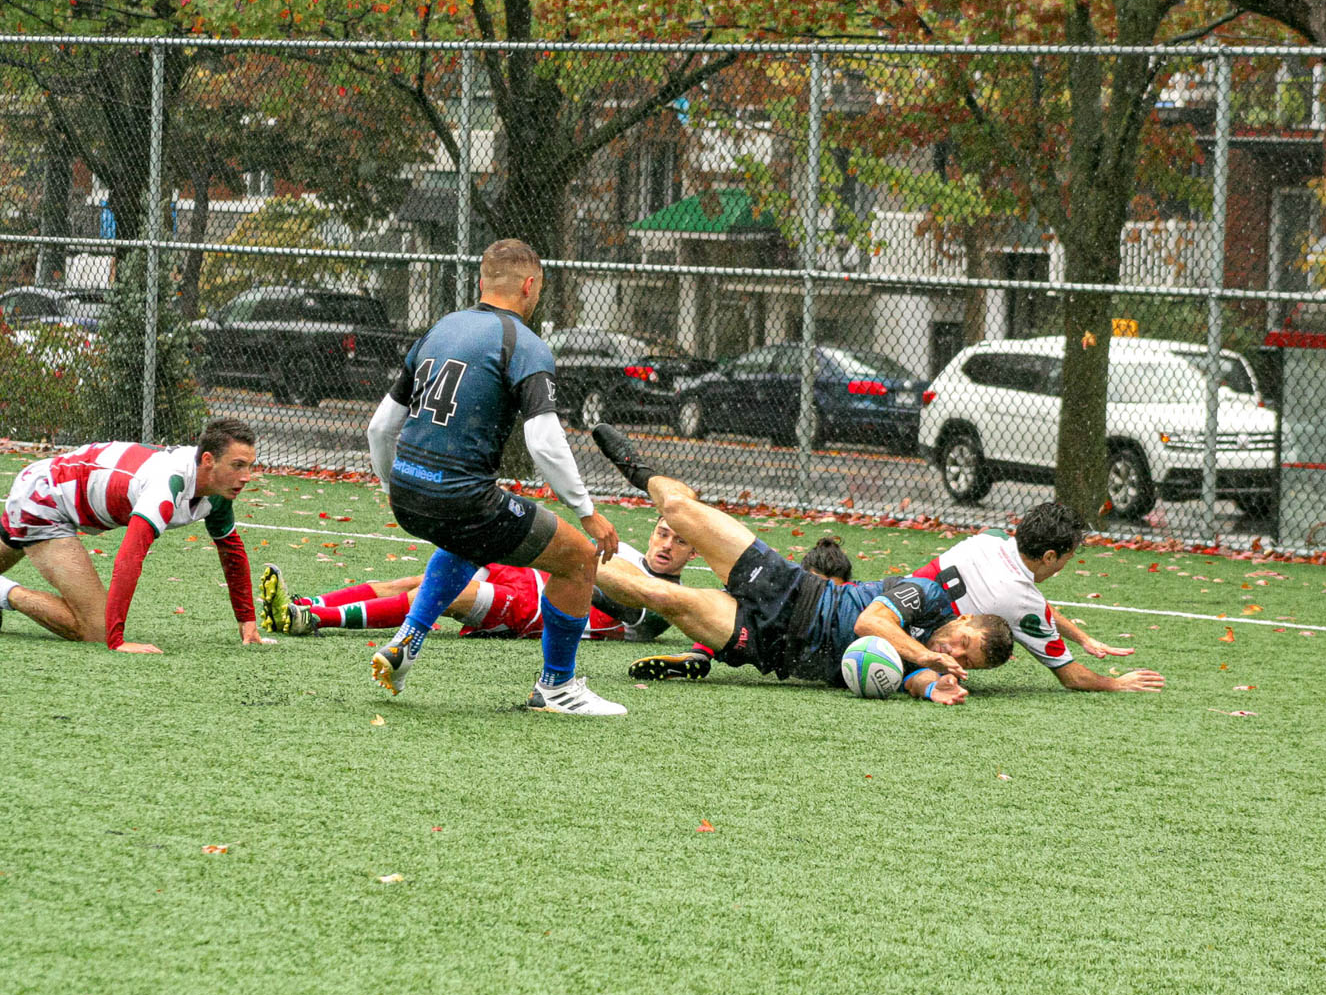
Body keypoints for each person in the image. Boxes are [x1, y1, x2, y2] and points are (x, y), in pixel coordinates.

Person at [365, 238, 623, 714]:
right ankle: (557, 688)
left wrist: (391, 486)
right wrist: (587, 512)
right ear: (530, 286)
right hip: (462, 499)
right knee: (580, 560)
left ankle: (407, 641)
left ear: (480, 282)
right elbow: (544, 441)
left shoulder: (440, 329)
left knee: (470, 537)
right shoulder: (524, 344)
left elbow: (381, 427)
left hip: (408, 493)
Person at [589, 424, 1012, 703]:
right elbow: (871, 624)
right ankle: (636, 468)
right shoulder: (929, 594)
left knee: (662, 595)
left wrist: (932, 688)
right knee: (680, 507)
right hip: (789, 589)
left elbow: (905, 677)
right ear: (965, 619)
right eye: (964, 643)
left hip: (772, 647)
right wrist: (929, 658)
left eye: (967, 661)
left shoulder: (926, 661)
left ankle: (566, 557)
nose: (954, 652)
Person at [0, 418, 269, 652]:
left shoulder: (217, 488)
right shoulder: (168, 484)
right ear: (208, 460)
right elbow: (130, 557)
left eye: (249, 466)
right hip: (46, 498)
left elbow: (231, 550)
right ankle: (5, 592)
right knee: (97, 629)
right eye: (237, 465)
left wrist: (247, 622)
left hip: (57, 483)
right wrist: (116, 640)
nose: (246, 477)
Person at [259, 515, 695, 641]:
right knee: (420, 577)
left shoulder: (664, 605)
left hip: (539, 609)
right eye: (662, 533)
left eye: (679, 542)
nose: (666, 545)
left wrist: (574, 562)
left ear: (694, 553)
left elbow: (601, 596)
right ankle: (308, 603)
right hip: (528, 573)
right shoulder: (633, 553)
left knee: (446, 593)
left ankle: (313, 622)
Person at [907, 501, 1166, 693]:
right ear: (1050, 557)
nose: (1064, 566)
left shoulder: (988, 539)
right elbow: (1072, 677)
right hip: (906, 656)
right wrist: (1117, 683)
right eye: (1068, 557)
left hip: (885, 605)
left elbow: (1028, 601)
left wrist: (1081, 637)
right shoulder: (1023, 602)